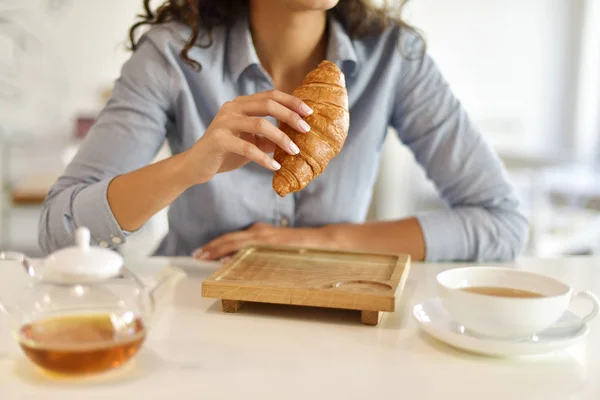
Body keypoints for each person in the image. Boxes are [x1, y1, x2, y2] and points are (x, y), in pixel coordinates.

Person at [38, 0, 529, 263]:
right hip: (198, 317)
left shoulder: (393, 58)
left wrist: (324, 241)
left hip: (334, 320)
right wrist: (189, 166)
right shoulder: (172, 56)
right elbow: (59, 232)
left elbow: (502, 223)